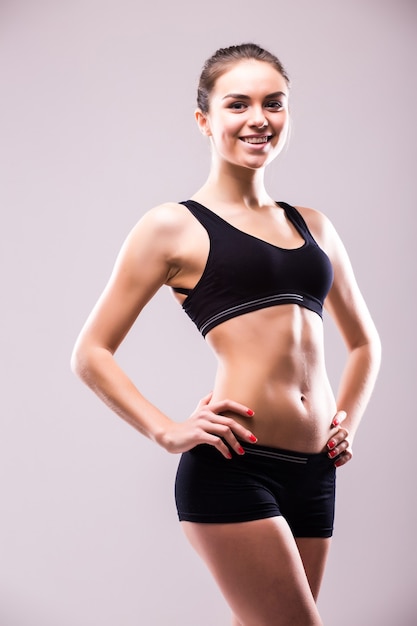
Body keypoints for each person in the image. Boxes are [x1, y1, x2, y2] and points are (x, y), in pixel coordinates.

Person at [71, 43, 381, 626]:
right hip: (236, 468)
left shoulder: (314, 225)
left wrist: (347, 422)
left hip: (314, 473)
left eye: (274, 103)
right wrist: (166, 430)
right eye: (237, 104)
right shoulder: (172, 226)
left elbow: (366, 344)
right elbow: (90, 353)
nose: (258, 118)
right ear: (205, 120)